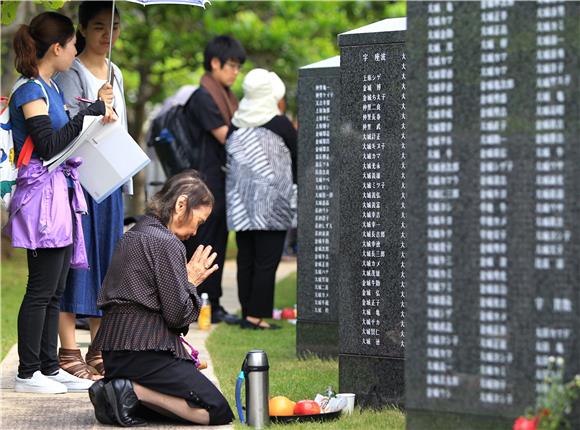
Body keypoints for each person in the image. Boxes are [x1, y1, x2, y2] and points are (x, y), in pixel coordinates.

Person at [4, 11, 116, 394]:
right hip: (39, 196)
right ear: (57, 47)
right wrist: (87, 112)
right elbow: (48, 146)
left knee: (55, 287)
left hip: (57, 193)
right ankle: (27, 372)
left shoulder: (49, 87)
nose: (75, 51)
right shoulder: (30, 90)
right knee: (41, 287)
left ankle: (50, 368)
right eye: (72, 44)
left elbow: (61, 142)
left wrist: (91, 113)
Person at [89, 170, 234, 427]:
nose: (196, 232)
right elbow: (177, 317)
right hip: (145, 352)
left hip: (115, 353)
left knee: (176, 404)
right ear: (180, 205)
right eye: (199, 222)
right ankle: (131, 390)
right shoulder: (166, 243)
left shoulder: (134, 233)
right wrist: (190, 282)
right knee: (216, 410)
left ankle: (115, 396)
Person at [54, 0, 128, 381]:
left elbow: (122, 130)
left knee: (106, 266)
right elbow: (65, 129)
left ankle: (98, 351)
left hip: (109, 181)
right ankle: (69, 350)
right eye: (99, 26)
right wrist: (99, 111)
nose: (107, 34)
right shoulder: (72, 72)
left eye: (114, 26)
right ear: (82, 29)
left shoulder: (115, 71)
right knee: (75, 262)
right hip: (78, 180)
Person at [226, 68, 297, 329]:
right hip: (273, 204)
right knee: (267, 260)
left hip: (241, 203)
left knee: (246, 258)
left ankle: (248, 312)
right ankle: (256, 317)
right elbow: (298, 158)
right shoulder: (280, 124)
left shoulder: (236, 123)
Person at [183, 35, 246, 324]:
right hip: (203, 183)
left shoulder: (225, 96)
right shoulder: (204, 97)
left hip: (218, 183)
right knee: (204, 244)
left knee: (217, 243)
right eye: (232, 65)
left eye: (238, 67)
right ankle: (197, 302)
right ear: (215, 63)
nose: (236, 72)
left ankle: (214, 303)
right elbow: (227, 136)